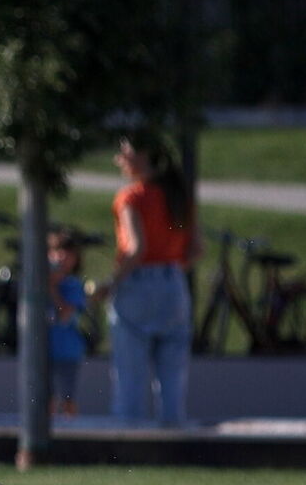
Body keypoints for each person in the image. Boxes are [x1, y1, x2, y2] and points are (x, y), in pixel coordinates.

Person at [107, 136, 198, 427]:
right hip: (174, 283)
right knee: (172, 381)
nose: (119, 160)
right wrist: (170, 271)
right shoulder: (179, 195)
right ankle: (174, 444)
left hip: (138, 283)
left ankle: (128, 449)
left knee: (129, 378)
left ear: (145, 157)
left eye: (125, 153)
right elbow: (196, 249)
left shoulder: (131, 197)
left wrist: (111, 283)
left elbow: (136, 249)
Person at [47, 227, 91, 419]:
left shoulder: (73, 286)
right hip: (44, 351)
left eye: (68, 254)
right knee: (45, 397)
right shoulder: (40, 284)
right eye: (57, 252)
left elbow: (64, 315)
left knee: (67, 397)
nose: (61, 258)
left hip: (67, 353)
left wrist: (52, 288)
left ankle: (71, 429)